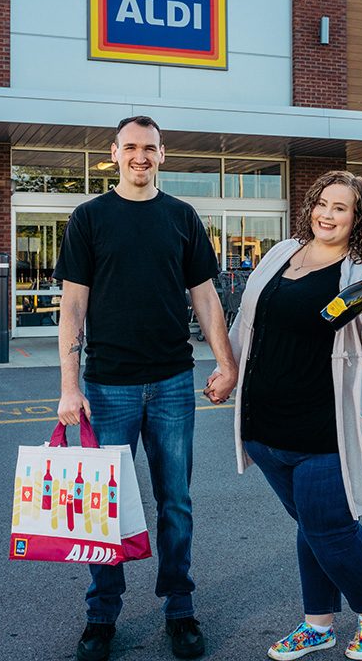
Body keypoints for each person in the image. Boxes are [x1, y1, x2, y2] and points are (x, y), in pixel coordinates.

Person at [55, 115, 237, 661]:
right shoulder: (89, 218)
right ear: (113, 153)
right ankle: (101, 615)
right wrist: (69, 384)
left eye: (150, 148)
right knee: (103, 507)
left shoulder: (182, 217)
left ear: (163, 154)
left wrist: (225, 362)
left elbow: (204, 297)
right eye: (130, 147)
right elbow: (73, 306)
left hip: (173, 383)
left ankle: (179, 609)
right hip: (108, 387)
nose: (140, 156)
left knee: (175, 503)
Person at [228, 170, 362, 661]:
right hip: (265, 428)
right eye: (322, 204)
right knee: (312, 525)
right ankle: (318, 625)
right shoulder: (279, 254)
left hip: (327, 429)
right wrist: (228, 369)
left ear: (358, 219)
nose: (327, 215)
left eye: (340, 208)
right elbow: (249, 320)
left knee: (329, 527)